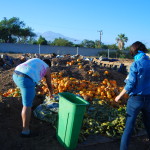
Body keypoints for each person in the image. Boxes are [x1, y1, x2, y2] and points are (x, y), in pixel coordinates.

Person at [115, 41, 150, 150]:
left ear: (134, 53)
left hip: (135, 100)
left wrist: (119, 96)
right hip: (149, 99)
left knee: (129, 127)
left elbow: (130, 84)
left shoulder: (136, 64)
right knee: (149, 124)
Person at [13, 58, 53, 137]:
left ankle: (29, 105)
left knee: (28, 93)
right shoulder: (47, 68)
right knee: (27, 105)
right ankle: (25, 131)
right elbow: (49, 84)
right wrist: (51, 94)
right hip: (25, 79)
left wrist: (36, 85)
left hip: (15, 74)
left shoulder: (36, 59)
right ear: (49, 65)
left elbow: (30, 71)